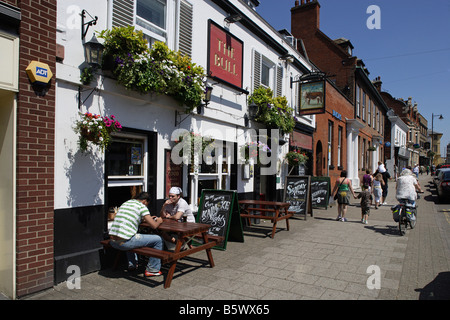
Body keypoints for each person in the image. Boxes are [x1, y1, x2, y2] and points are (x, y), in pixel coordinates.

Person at [109, 192, 164, 277]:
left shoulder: (126, 203)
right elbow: (154, 226)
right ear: (145, 201)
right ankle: (153, 269)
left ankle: (132, 265)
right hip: (125, 243)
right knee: (158, 239)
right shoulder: (141, 206)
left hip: (113, 242)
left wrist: (145, 219)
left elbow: (131, 218)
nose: (146, 206)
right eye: (147, 205)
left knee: (129, 234)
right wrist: (159, 221)